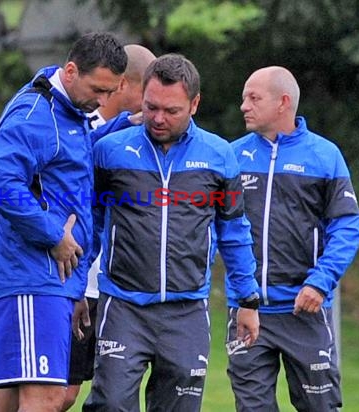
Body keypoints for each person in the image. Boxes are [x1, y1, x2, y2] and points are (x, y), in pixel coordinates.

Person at [82, 53, 260, 412]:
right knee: (110, 404)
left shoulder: (219, 156)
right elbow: (90, 224)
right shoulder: (110, 151)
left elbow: (234, 231)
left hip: (187, 309)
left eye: (171, 110)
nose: (158, 118)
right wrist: (74, 289)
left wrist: (247, 300)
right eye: (151, 107)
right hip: (123, 305)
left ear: (194, 103)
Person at [0, 32, 127, 412]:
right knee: (45, 399)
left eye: (111, 93)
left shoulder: (69, 114)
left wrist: (126, 124)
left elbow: (70, 163)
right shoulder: (35, 114)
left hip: (47, 282)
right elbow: (3, 184)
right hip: (29, 278)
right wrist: (52, 237)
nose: (103, 101)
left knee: (7, 403)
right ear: (72, 71)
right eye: (99, 89)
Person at [226, 66, 359, 411]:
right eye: (243, 97)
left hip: (305, 310)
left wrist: (320, 283)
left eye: (253, 98)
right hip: (247, 312)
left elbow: (346, 227)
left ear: (283, 102)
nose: (244, 106)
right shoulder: (231, 156)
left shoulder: (325, 156)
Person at [62, 44, 157, 412]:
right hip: (78, 281)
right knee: (60, 392)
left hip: (119, 290)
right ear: (126, 85)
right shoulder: (83, 129)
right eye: (147, 89)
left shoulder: (146, 134)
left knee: (111, 393)